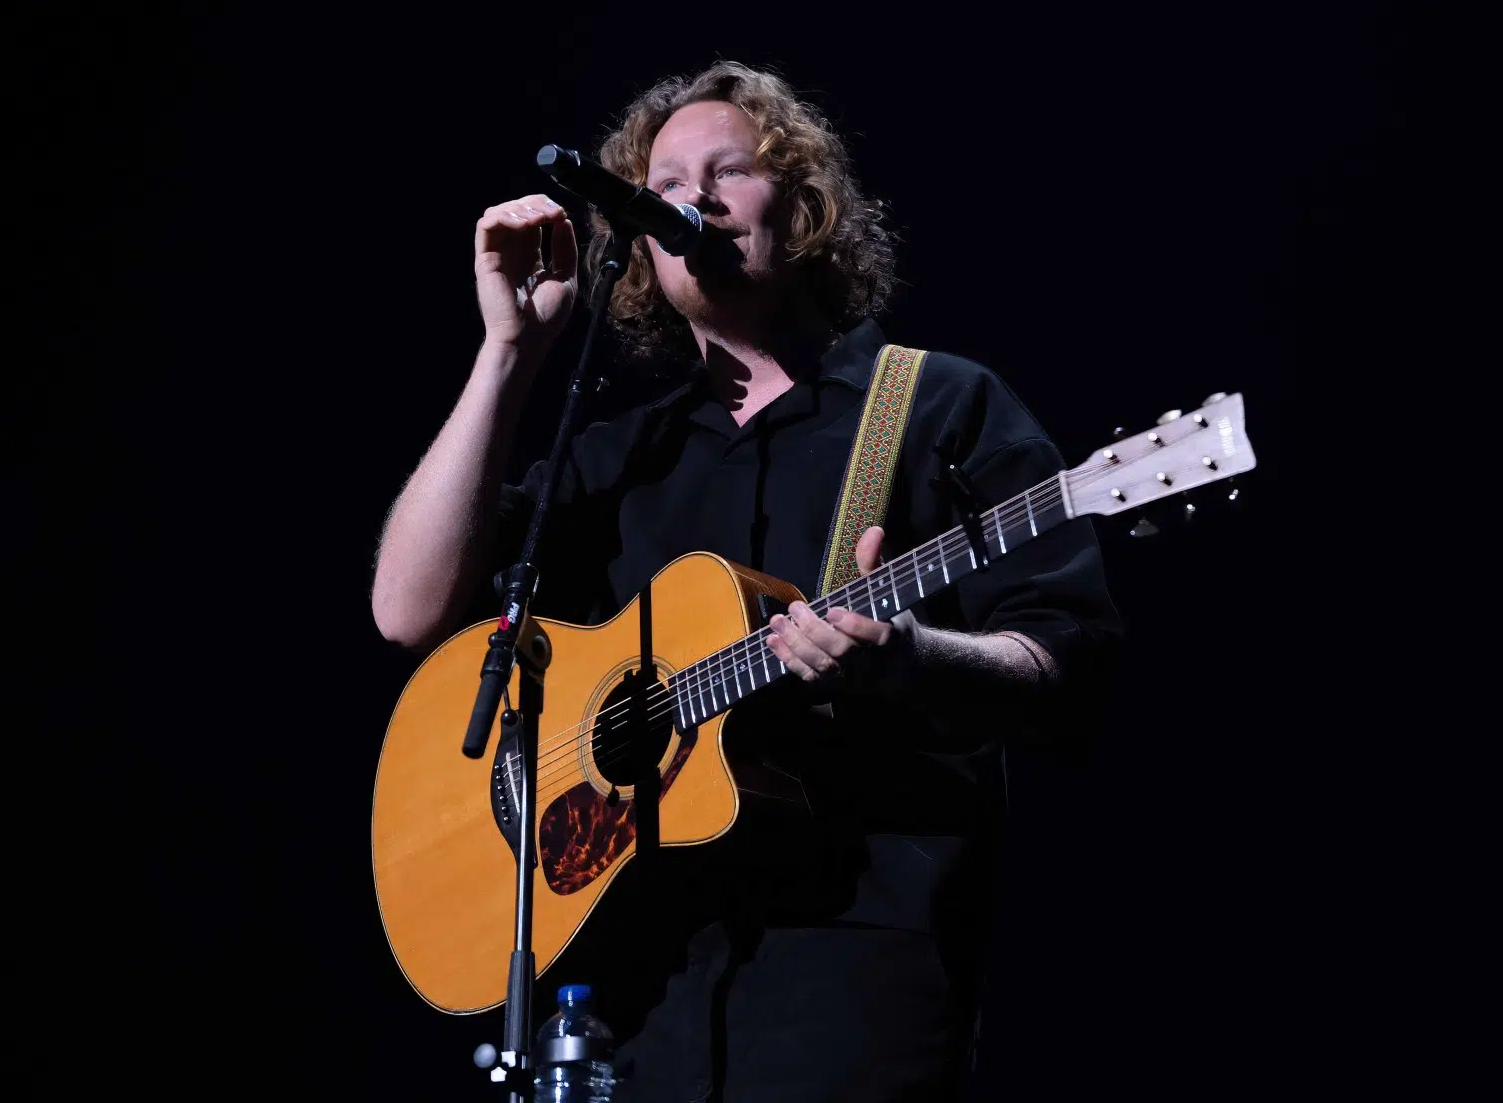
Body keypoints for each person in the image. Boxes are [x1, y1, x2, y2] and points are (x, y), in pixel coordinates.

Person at [371, 61, 1121, 1101]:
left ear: (803, 207)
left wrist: (910, 658)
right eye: (665, 181)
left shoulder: (937, 407)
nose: (693, 197)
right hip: (624, 996)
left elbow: (1062, 661)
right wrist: (509, 355)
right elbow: (408, 610)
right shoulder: (617, 459)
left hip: (850, 982)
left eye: (729, 170)